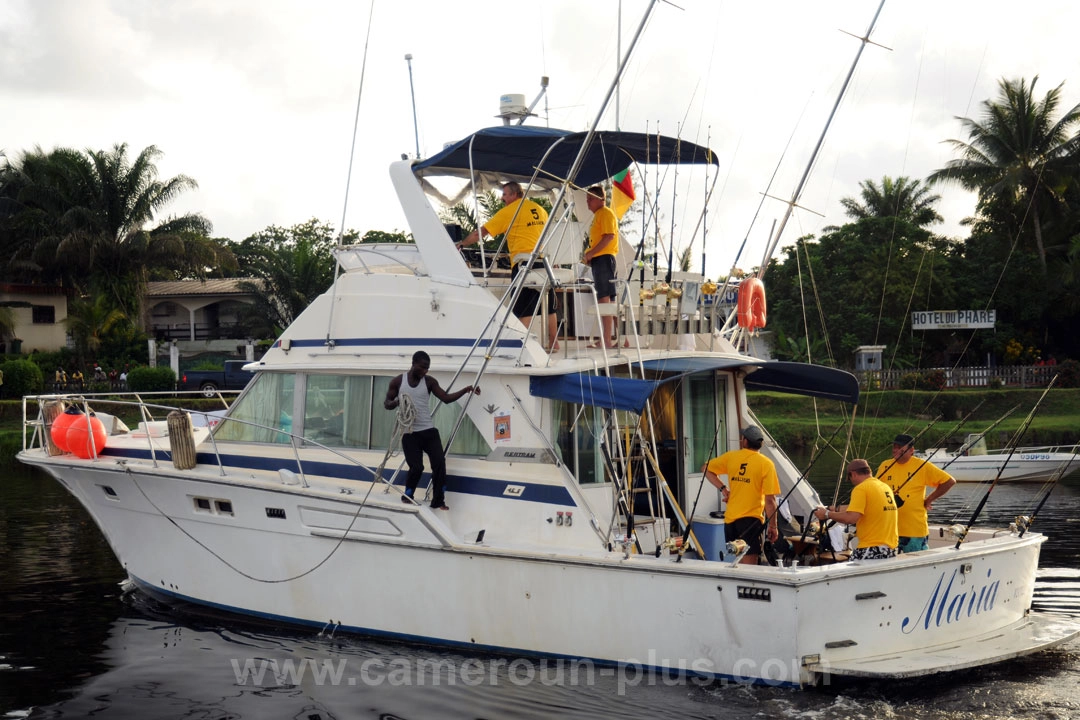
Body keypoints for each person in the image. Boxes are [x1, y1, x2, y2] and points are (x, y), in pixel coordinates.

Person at [457, 181, 559, 351]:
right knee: (549, 306)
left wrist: (462, 243)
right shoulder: (539, 209)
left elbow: (481, 232)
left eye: (504, 194)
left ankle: (522, 347)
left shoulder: (509, 211)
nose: (501, 197)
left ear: (513, 194)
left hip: (524, 263)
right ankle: (555, 343)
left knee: (522, 305)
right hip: (543, 261)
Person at [384, 351, 480, 510]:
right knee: (417, 467)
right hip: (409, 433)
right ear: (413, 363)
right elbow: (386, 403)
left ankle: (438, 501)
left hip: (428, 431)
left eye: (427, 368)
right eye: (422, 367)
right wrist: (395, 403)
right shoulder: (397, 382)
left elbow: (446, 399)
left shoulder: (429, 382)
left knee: (439, 463)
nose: (425, 371)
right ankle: (408, 494)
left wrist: (466, 389)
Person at [703, 425, 780, 565]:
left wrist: (724, 490)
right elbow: (770, 501)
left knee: (738, 561)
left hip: (730, 522)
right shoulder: (766, 464)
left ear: (745, 441)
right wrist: (773, 527)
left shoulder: (731, 457)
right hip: (751, 521)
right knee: (749, 566)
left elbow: (706, 469)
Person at [876, 433, 956, 553]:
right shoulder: (885, 465)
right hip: (889, 530)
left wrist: (929, 499)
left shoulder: (922, 466)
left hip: (914, 531)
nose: (895, 450)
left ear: (911, 450)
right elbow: (875, 490)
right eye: (894, 447)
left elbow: (949, 481)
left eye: (900, 447)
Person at [814, 459, 898, 560]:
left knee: (846, 572)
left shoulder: (861, 488)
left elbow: (851, 518)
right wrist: (834, 509)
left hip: (871, 548)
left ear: (853, 474)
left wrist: (827, 514)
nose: (852, 482)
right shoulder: (884, 487)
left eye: (850, 478)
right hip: (889, 549)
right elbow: (863, 507)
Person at [583, 185, 620, 349]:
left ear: (601, 199)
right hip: (601, 259)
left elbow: (609, 236)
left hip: (603, 259)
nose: (588, 203)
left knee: (605, 299)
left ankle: (606, 340)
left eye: (590, 199)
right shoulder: (599, 215)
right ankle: (620, 338)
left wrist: (591, 253)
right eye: (587, 199)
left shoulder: (605, 213)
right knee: (610, 300)